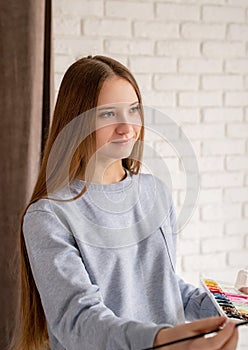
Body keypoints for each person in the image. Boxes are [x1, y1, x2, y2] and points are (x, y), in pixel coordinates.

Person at [12, 55, 239, 350]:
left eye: (133, 110)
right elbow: (79, 323)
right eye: (108, 114)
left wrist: (230, 306)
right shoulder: (49, 215)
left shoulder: (154, 192)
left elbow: (163, 286)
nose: (127, 127)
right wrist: (163, 340)